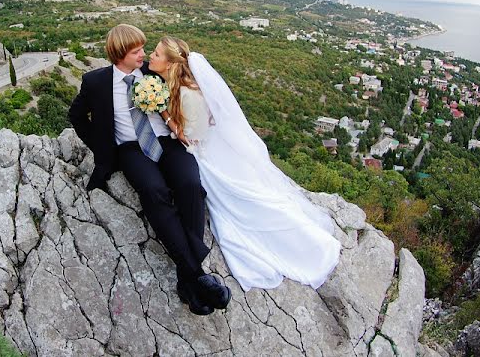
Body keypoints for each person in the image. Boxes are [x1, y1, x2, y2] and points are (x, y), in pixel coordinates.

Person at [148, 36, 341, 291]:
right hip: (204, 147)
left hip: (205, 153)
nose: (152, 55)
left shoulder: (189, 93)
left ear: (171, 65)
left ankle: (308, 245)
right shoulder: (176, 85)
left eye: (157, 54)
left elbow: (192, 137)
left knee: (243, 202)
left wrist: (164, 114)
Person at [68, 24, 231, 315]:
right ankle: (197, 275)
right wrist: (102, 147)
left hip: (167, 142)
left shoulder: (153, 73)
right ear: (120, 54)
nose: (144, 54)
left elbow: (186, 88)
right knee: (154, 191)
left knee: (191, 186)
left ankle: (188, 281)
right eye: (137, 51)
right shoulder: (95, 82)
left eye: (144, 49)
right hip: (130, 148)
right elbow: (76, 116)